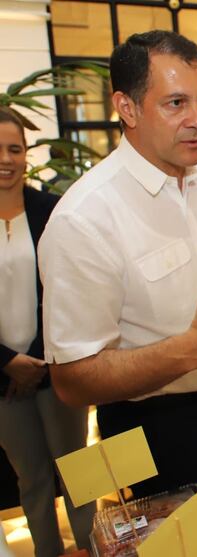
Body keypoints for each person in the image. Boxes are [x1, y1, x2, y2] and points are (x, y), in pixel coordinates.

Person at [38, 30, 197, 499]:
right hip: (140, 428)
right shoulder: (84, 219)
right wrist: (194, 348)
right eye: (175, 103)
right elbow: (71, 380)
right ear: (127, 107)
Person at [0, 108, 94, 556]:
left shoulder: (50, 210)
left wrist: (37, 359)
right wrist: (7, 363)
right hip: (3, 381)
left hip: (56, 367)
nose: (6, 159)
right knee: (32, 479)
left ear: (26, 154)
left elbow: (70, 287)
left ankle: (94, 548)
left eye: (14, 149)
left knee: (80, 472)